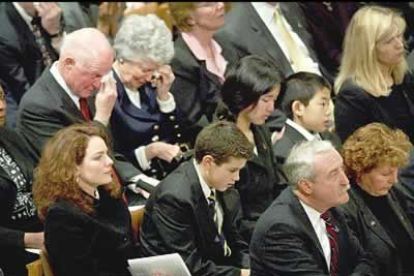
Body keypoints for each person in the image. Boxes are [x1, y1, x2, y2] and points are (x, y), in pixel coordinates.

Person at [16, 27, 156, 195]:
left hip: (114, 190)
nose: (99, 84)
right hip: (78, 203)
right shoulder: (37, 106)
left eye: (104, 75)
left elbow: (109, 151)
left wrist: (137, 179)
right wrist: (102, 117)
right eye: (95, 75)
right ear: (69, 64)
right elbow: (74, 166)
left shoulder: (86, 88)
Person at [140, 121, 253, 276]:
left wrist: (253, 268)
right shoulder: (173, 197)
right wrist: (242, 274)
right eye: (233, 170)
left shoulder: (221, 182)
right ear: (208, 162)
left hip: (218, 266)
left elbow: (235, 239)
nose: (237, 177)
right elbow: (191, 266)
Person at [250, 139, 376, 276]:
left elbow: (366, 261)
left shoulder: (330, 208)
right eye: (333, 174)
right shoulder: (279, 229)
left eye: (342, 169)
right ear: (306, 186)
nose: (345, 181)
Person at [33, 122, 139, 276]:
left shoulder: (108, 193)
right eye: (98, 157)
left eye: (107, 154)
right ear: (73, 167)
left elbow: (129, 249)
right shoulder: (62, 217)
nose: (109, 161)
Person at [215, 55, 286, 242]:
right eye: (266, 100)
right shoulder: (221, 139)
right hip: (250, 236)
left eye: (274, 100)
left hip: (274, 220)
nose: (271, 108)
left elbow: (275, 183)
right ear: (245, 95)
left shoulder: (260, 127)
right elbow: (232, 217)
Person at [111, 14, 183, 181]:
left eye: (154, 69)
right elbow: (111, 156)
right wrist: (150, 152)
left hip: (165, 177)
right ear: (123, 58)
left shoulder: (149, 86)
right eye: (145, 69)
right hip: (130, 185)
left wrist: (164, 96)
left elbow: (176, 135)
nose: (150, 76)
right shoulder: (107, 92)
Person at [341, 123, 414, 276]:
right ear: (361, 170)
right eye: (386, 174)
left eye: (396, 172)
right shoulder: (345, 209)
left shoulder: (395, 193)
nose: (394, 180)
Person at [334, 5, 414, 143]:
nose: (400, 44)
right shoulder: (352, 97)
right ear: (369, 50)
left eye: (399, 36)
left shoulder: (401, 76)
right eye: (389, 41)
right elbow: (362, 158)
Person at [168, 2, 234, 147]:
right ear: (189, 17)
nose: (220, 5)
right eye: (208, 4)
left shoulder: (224, 44)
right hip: (216, 147)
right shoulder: (179, 60)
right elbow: (195, 124)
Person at [0, 84, 43, 276]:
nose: (1, 105)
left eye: (2, 96)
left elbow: (40, 179)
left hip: (40, 231)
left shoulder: (10, 135)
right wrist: (29, 239)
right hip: (10, 249)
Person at [0, 2, 63, 127]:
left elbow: (69, 62)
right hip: (25, 104)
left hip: (55, 90)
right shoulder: (4, 34)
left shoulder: (53, 14)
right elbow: (22, 89)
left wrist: (55, 34)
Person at [274, 72, 341, 165]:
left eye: (328, 104)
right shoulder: (285, 154)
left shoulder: (327, 136)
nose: (328, 112)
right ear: (298, 108)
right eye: (323, 104)